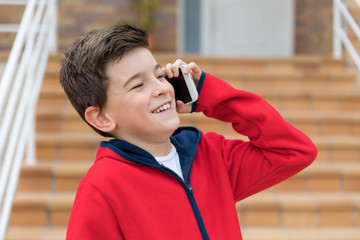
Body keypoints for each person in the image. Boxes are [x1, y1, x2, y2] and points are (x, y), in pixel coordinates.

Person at [59, 23, 317, 240]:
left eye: (159, 75)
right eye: (137, 85)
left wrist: (206, 92)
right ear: (102, 117)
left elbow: (294, 151)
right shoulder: (102, 188)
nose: (161, 88)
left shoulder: (212, 154)